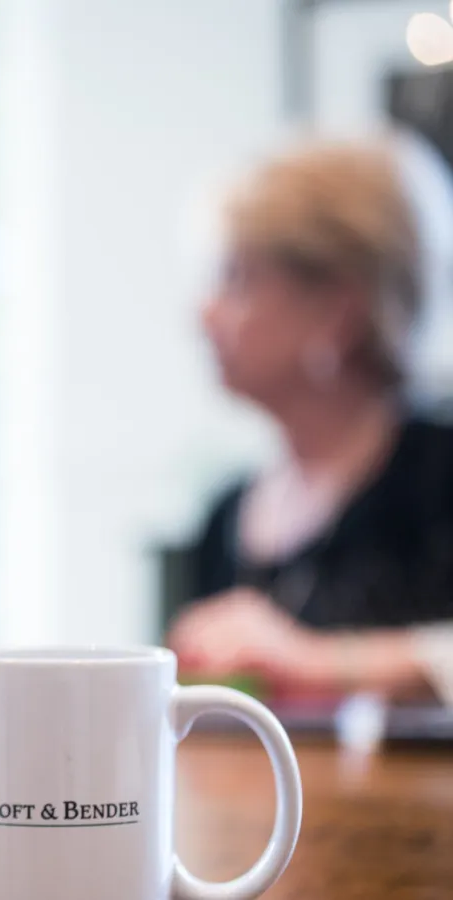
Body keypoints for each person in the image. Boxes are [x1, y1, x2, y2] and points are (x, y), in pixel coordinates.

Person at [168, 140, 453, 703]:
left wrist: (314, 662)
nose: (204, 313)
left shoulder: (440, 479)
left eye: (238, 279)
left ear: (337, 312)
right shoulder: (225, 516)